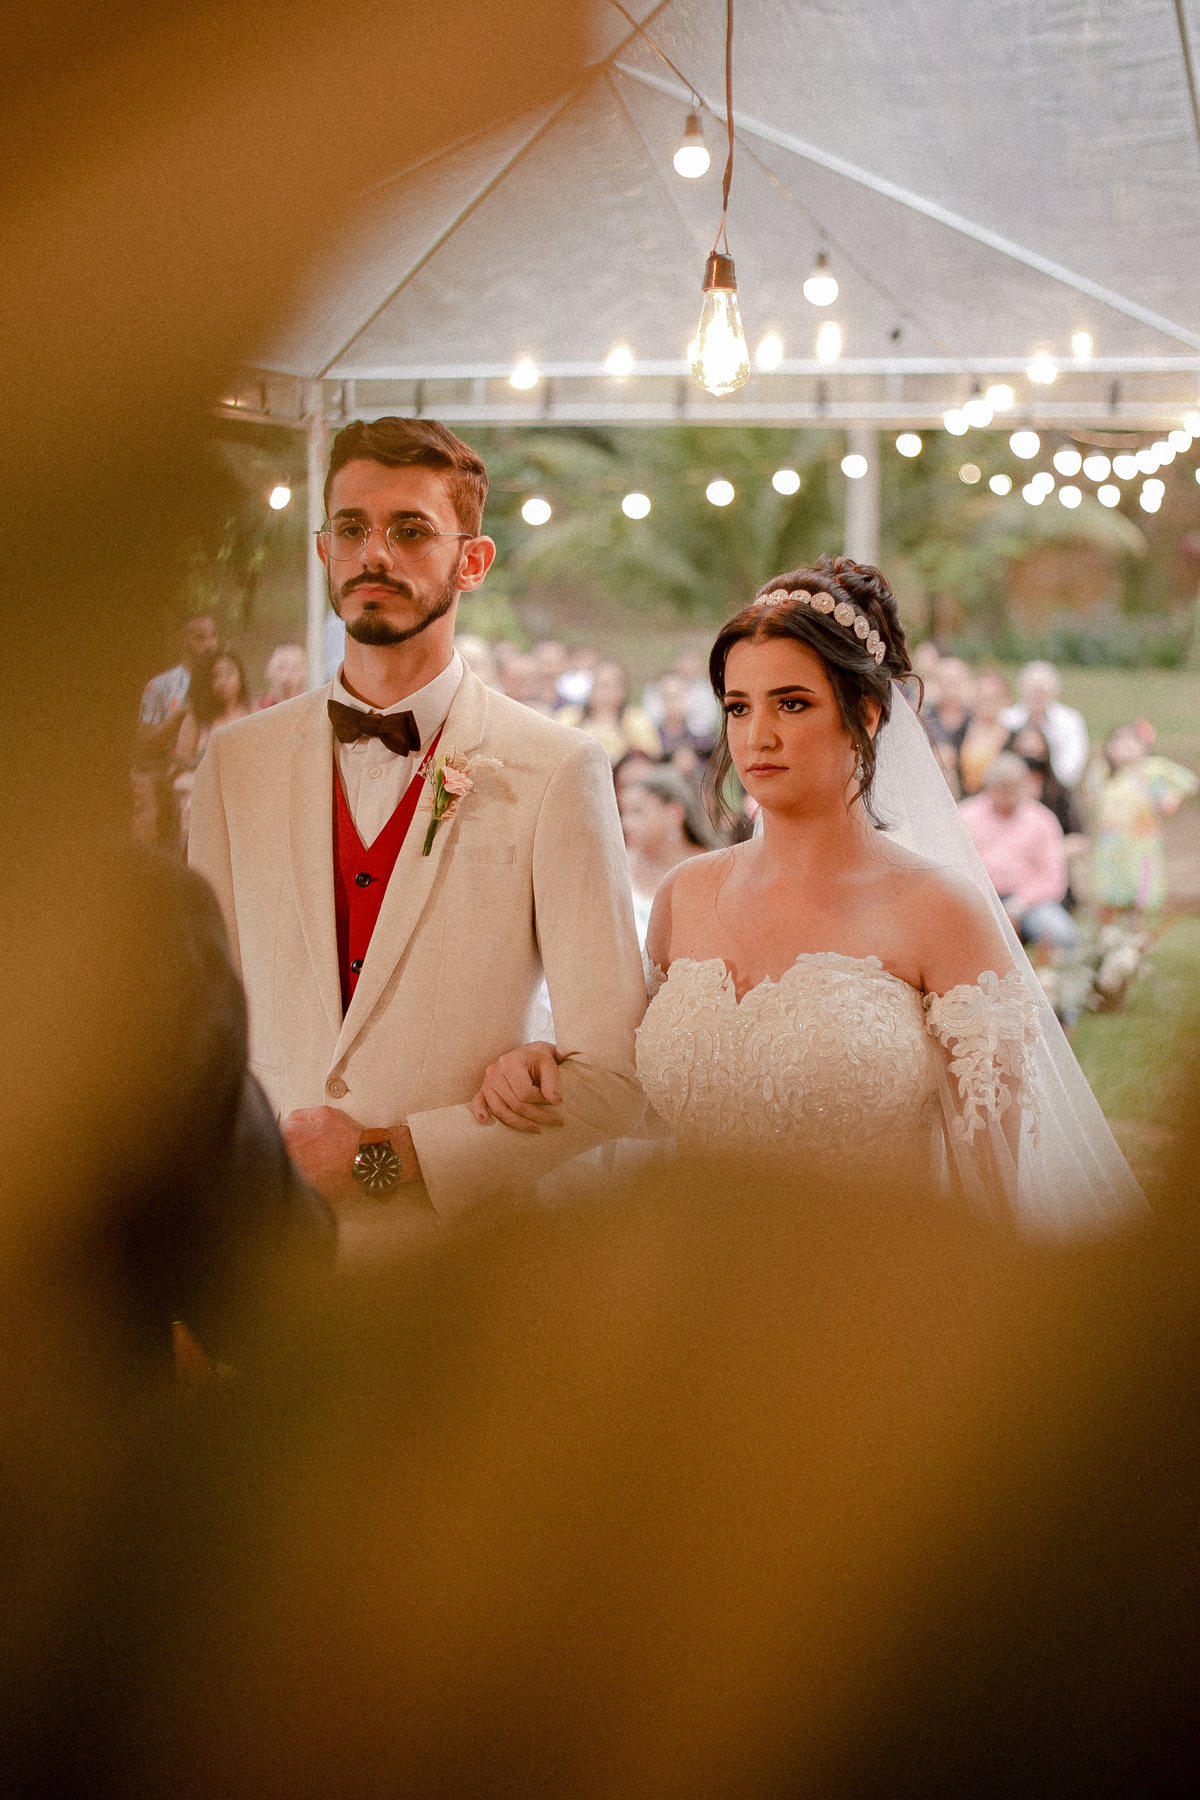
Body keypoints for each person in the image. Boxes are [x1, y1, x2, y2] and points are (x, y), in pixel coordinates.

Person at [475, 558, 1142, 1235]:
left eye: (791, 704)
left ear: (866, 715)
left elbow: (993, 1187)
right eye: (739, 707)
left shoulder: (942, 913)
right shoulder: (685, 895)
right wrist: (546, 1066)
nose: (756, 737)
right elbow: (642, 1099)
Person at [188, 416, 646, 1238]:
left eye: (410, 531)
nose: (375, 555)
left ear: (473, 561)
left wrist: (384, 1156)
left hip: (457, 1266)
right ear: (323, 550)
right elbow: (199, 1034)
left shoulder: (556, 767)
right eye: (351, 529)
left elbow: (613, 1077)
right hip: (263, 1259)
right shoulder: (234, 762)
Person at [960, 753, 1078, 956]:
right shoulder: (966, 815)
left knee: (1062, 935)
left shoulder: (1042, 820)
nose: (1008, 793)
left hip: (1027, 903)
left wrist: (1018, 905)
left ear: (1025, 786)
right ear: (988, 786)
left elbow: (1053, 879)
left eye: (1014, 787)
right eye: (1002, 787)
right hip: (976, 899)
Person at [1091, 723, 1199, 918]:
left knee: (1139, 886)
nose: (1125, 748)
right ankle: (1108, 930)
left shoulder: (1150, 774)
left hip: (1141, 844)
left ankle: (1134, 928)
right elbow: (1095, 800)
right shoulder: (1102, 773)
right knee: (1109, 887)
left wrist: (1170, 797)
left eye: (1132, 743)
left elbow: (1186, 784)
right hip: (1111, 844)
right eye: (1119, 742)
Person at [619, 764, 717, 948]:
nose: (625, 823)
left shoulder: (714, 870)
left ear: (674, 813)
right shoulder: (620, 870)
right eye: (625, 813)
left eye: (637, 812)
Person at [135, 609, 219, 765]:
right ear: (183, 641)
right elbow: (143, 746)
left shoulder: (227, 683)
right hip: (169, 770)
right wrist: (180, 715)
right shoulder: (159, 686)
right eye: (200, 637)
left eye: (213, 636)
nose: (209, 644)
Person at [1000, 661, 1089, 788]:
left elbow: (1073, 764)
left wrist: (1045, 784)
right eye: (1033, 691)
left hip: (1056, 788)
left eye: (1042, 692)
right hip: (1010, 787)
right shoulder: (1007, 719)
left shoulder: (1070, 721)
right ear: (1022, 691)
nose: (1037, 696)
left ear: (1055, 692)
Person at [559, 660, 662, 765]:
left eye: (615, 685)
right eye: (604, 685)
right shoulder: (571, 717)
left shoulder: (635, 718)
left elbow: (650, 756)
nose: (609, 692)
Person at [174, 646, 251, 765]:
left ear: (240, 675)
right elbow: (179, 765)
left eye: (229, 673)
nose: (223, 681)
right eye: (215, 676)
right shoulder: (196, 720)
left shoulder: (253, 712)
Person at [923, 655, 974, 796]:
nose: (951, 687)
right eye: (946, 681)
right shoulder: (925, 718)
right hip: (933, 788)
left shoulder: (975, 718)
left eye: (956, 681)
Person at [958, 670, 1011, 795]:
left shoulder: (1013, 737)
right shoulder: (962, 730)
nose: (987, 704)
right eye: (982, 698)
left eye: (992, 699)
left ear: (1004, 700)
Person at [256, 643, 308, 708]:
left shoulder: (310, 706)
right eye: (281, 667)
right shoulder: (257, 709)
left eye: (294, 668)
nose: (286, 675)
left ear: (304, 672)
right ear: (268, 670)